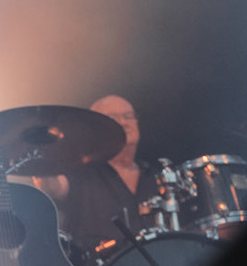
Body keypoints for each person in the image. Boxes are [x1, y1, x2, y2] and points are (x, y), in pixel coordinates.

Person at [30, 94, 161, 256]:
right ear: (94, 130)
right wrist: (40, 147)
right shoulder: (80, 172)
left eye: (128, 116)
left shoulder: (156, 176)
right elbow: (51, 188)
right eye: (113, 118)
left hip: (160, 265)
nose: (124, 122)